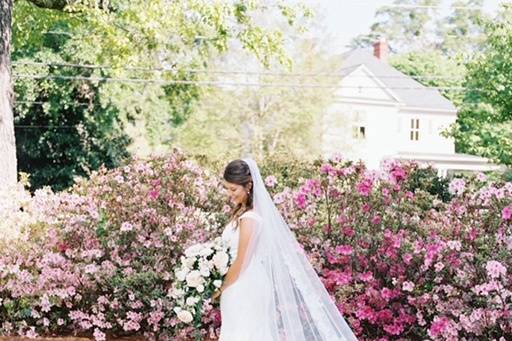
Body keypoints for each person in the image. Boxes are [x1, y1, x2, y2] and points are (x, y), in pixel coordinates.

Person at [212, 158, 358, 341]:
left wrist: (220, 288)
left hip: (244, 284)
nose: (229, 194)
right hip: (242, 282)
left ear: (248, 186)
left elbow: (242, 261)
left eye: (233, 189)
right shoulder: (244, 213)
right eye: (227, 188)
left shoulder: (250, 218)